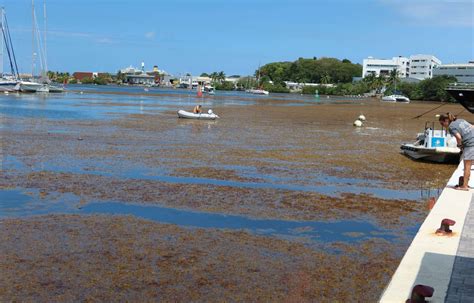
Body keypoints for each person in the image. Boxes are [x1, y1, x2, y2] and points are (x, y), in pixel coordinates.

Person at [439, 112, 474, 190]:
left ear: (446, 121)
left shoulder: (451, 127)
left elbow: (458, 137)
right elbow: (472, 126)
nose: (442, 126)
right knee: (469, 165)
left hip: (470, 145)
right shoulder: (461, 120)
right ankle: (465, 183)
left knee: (467, 167)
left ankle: (464, 186)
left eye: (442, 123)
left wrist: (460, 146)